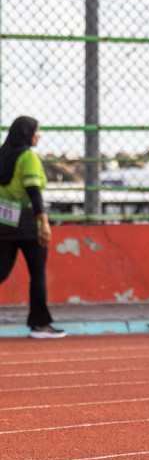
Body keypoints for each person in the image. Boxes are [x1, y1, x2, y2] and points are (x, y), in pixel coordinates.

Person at [0, 116, 63, 338]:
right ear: (27, 134)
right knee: (37, 274)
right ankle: (39, 324)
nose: (38, 135)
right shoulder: (28, 158)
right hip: (28, 224)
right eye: (36, 131)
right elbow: (34, 192)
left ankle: (40, 323)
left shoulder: (2, 155)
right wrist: (44, 223)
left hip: (4, 224)